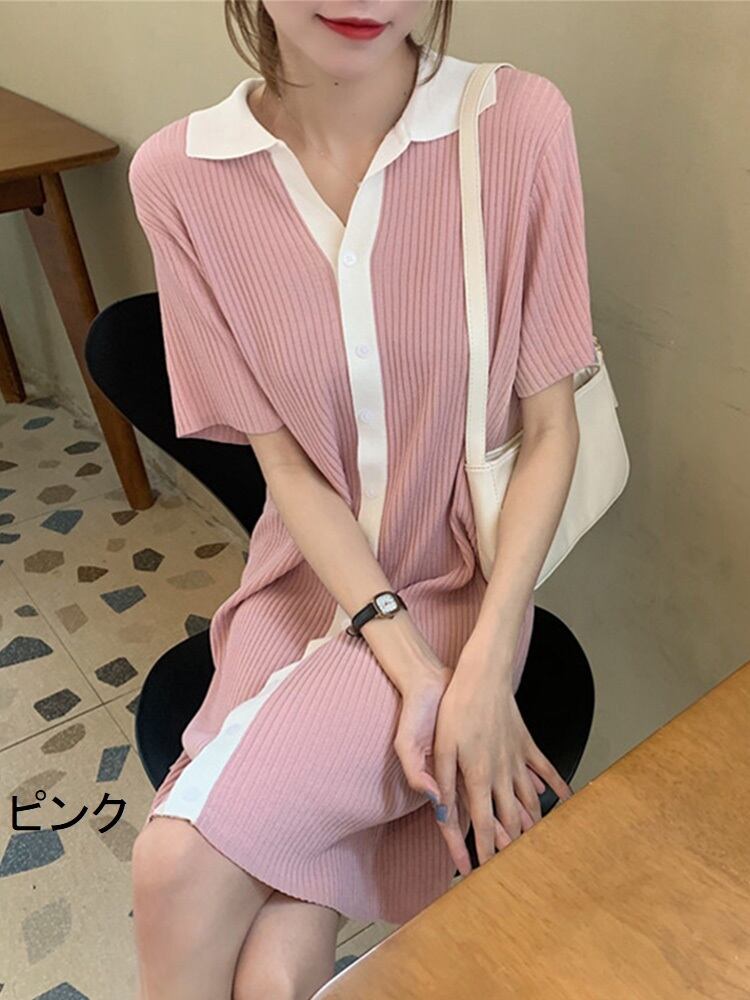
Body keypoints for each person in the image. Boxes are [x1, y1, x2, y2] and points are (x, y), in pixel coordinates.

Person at [128, 1, 596, 996]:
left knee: (173, 866)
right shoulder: (180, 177)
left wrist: (479, 671)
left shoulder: (515, 126)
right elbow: (288, 468)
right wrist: (408, 666)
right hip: (303, 576)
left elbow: (552, 429)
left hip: (463, 585)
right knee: (266, 964)